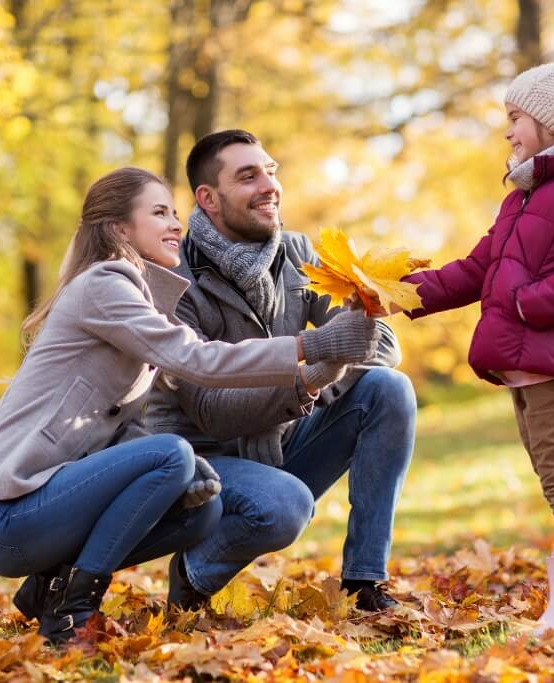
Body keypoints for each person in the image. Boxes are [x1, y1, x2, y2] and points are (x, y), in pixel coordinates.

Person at [0, 167, 379, 644]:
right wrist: (313, 344)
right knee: (172, 452)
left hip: (51, 507)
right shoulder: (104, 285)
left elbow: (123, 429)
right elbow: (198, 359)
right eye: (159, 212)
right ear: (120, 229)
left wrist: (317, 372)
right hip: (10, 514)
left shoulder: (136, 297)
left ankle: (46, 589)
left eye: (175, 212)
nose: (176, 224)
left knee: (200, 509)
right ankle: (73, 609)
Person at [401, 62, 554, 631]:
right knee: (550, 467)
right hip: (527, 360)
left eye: (515, 118)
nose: (507, 131)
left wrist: (529, 304)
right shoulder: (526, 196)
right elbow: (477, 269)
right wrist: (398, 294)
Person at [146, 130, 417, 613]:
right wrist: (315, 373)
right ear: (208, 198)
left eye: (271, 171)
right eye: (248, 176)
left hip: (281, 439)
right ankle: (192, 574)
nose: (269, 184)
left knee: (389, 389)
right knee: (284, 505)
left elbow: (382, 346)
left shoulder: (298, 254)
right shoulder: (173, 278)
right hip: (205, 463)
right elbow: (211, 413)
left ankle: (364, 583)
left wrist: (330, 369)